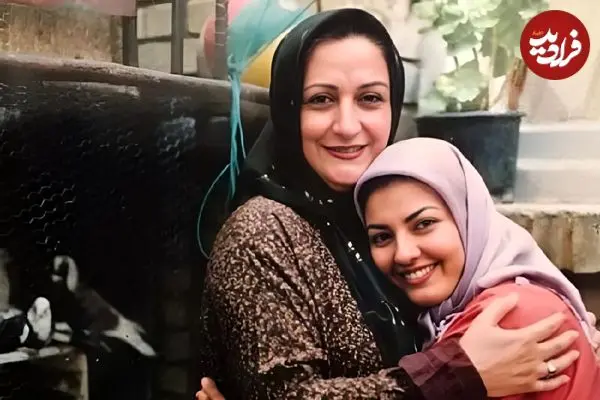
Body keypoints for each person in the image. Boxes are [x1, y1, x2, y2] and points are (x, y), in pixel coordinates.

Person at [196, 8, 595, 400]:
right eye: (320, 99)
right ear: (288, 109)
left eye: (370, 98)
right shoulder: (263, 233)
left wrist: (565, 325)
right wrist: (458, 374)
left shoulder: (386, 215)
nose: (347, 125)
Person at [354, 137, 600, 398]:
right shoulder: (461, 310)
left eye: (424, 224)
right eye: (382, 237)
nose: (403, 254)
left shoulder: (504, 315)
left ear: (470, 220)